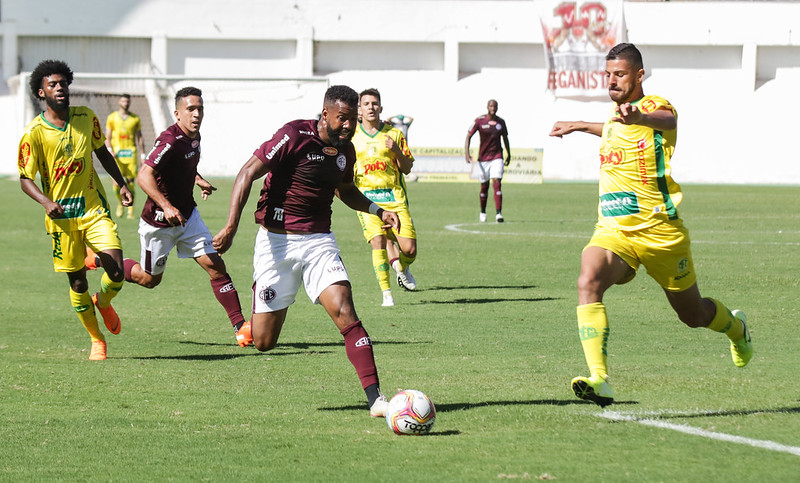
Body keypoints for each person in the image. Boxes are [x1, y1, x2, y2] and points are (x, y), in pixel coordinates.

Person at [548, 43, 752, 408]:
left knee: (693, 315)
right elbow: (613, 127)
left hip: (661, 234)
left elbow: (666, 121)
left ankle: (736, 328)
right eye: (608, 74)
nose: (612, 81)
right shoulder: (616, 117)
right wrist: (579, 125)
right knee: (587, 279)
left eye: (621, 74)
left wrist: (638, 117)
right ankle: (600, 379)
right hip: (615, 231)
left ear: (639, 75)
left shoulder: (654, 107)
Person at [213, 85, 400, 417]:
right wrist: (230, 226)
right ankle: (255, 311)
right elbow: (246, 173)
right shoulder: (294, 135)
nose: (347, 126)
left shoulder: (346, 151)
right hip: (276, 243)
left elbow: (344, 190)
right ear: (325, 113)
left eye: (352, 120)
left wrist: (377, 210)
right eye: (342, 119)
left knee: (345, 311)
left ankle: (376, 400)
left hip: (318, 242)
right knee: (264, 341)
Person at [88, 87, 252, 348]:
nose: (196, 114)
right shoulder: (169, 140)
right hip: (158, 223)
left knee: (215, 266)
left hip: (188, 217)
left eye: (200, 108)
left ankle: (240, 327)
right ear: (178, 113)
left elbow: (183, 165)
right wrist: (165, 206)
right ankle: (99, 258)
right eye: (190, 109)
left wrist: (198, 180)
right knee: (149, 279)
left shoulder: (194, 137)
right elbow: (144, 175)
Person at [18, 59, 132, 361]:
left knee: (117, 270)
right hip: (62, 219)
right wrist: (46, 201)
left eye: (63, 83)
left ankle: (104, 301)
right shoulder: (34, 133)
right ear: (40, 93)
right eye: (52, 85)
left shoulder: (86, 117)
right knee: (77, 281)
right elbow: (25, 179)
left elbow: (102, 154)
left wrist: (121, 183)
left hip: (93, 209)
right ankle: (97, 339)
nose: (60, 88)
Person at [352, 88, 418, 307]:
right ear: (359, 110)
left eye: (375, 103)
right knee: (377, 241)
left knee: (409, 250)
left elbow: (407, 168)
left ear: (381, 108)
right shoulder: (352, 137)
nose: (371, 107)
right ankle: (386, 294)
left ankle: (401, 266)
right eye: (366, 104)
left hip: (394, 197)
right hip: (367, 199)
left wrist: (396, 151)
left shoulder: (394, 134)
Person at [465, 99, 511, 223]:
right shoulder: (480, 121)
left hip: (497, 156)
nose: (493, 108)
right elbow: (468, 135)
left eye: (495, 106)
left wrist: (508, 153)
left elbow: (505, 138)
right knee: (484, 186)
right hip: (483, 159)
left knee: (497, 182)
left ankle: (498, 214)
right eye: (491, 106)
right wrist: (467, 153)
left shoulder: (501, 122)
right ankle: (483, 212)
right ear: (487, 107)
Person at [105, 93, 146, 220]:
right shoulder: (112, 118)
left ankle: (131, 208)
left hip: (130, 155)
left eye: (127, 101)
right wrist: (110, 150)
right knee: (117, 184)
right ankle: (120, 202)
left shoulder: (135, 119)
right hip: (117, 155)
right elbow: (108, 136)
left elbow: (139, 137)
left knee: (130, 183)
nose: (125, 103)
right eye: (123, 101)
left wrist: (143, 154)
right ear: (119, 102)